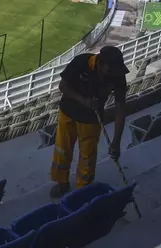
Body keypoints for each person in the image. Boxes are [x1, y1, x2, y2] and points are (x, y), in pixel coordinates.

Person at [50, 46, 129, 198]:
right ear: (100, 63)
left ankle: (83, 189)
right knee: (63, 149)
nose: (112, 75)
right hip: (68, 113)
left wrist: (116, 141)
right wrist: (84, 101)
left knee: (88, 156)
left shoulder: (117, 74)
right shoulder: (81, 62)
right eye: (109, 71)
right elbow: (63, 86)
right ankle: (61, 182)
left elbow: (120, 108)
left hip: (92, 119)